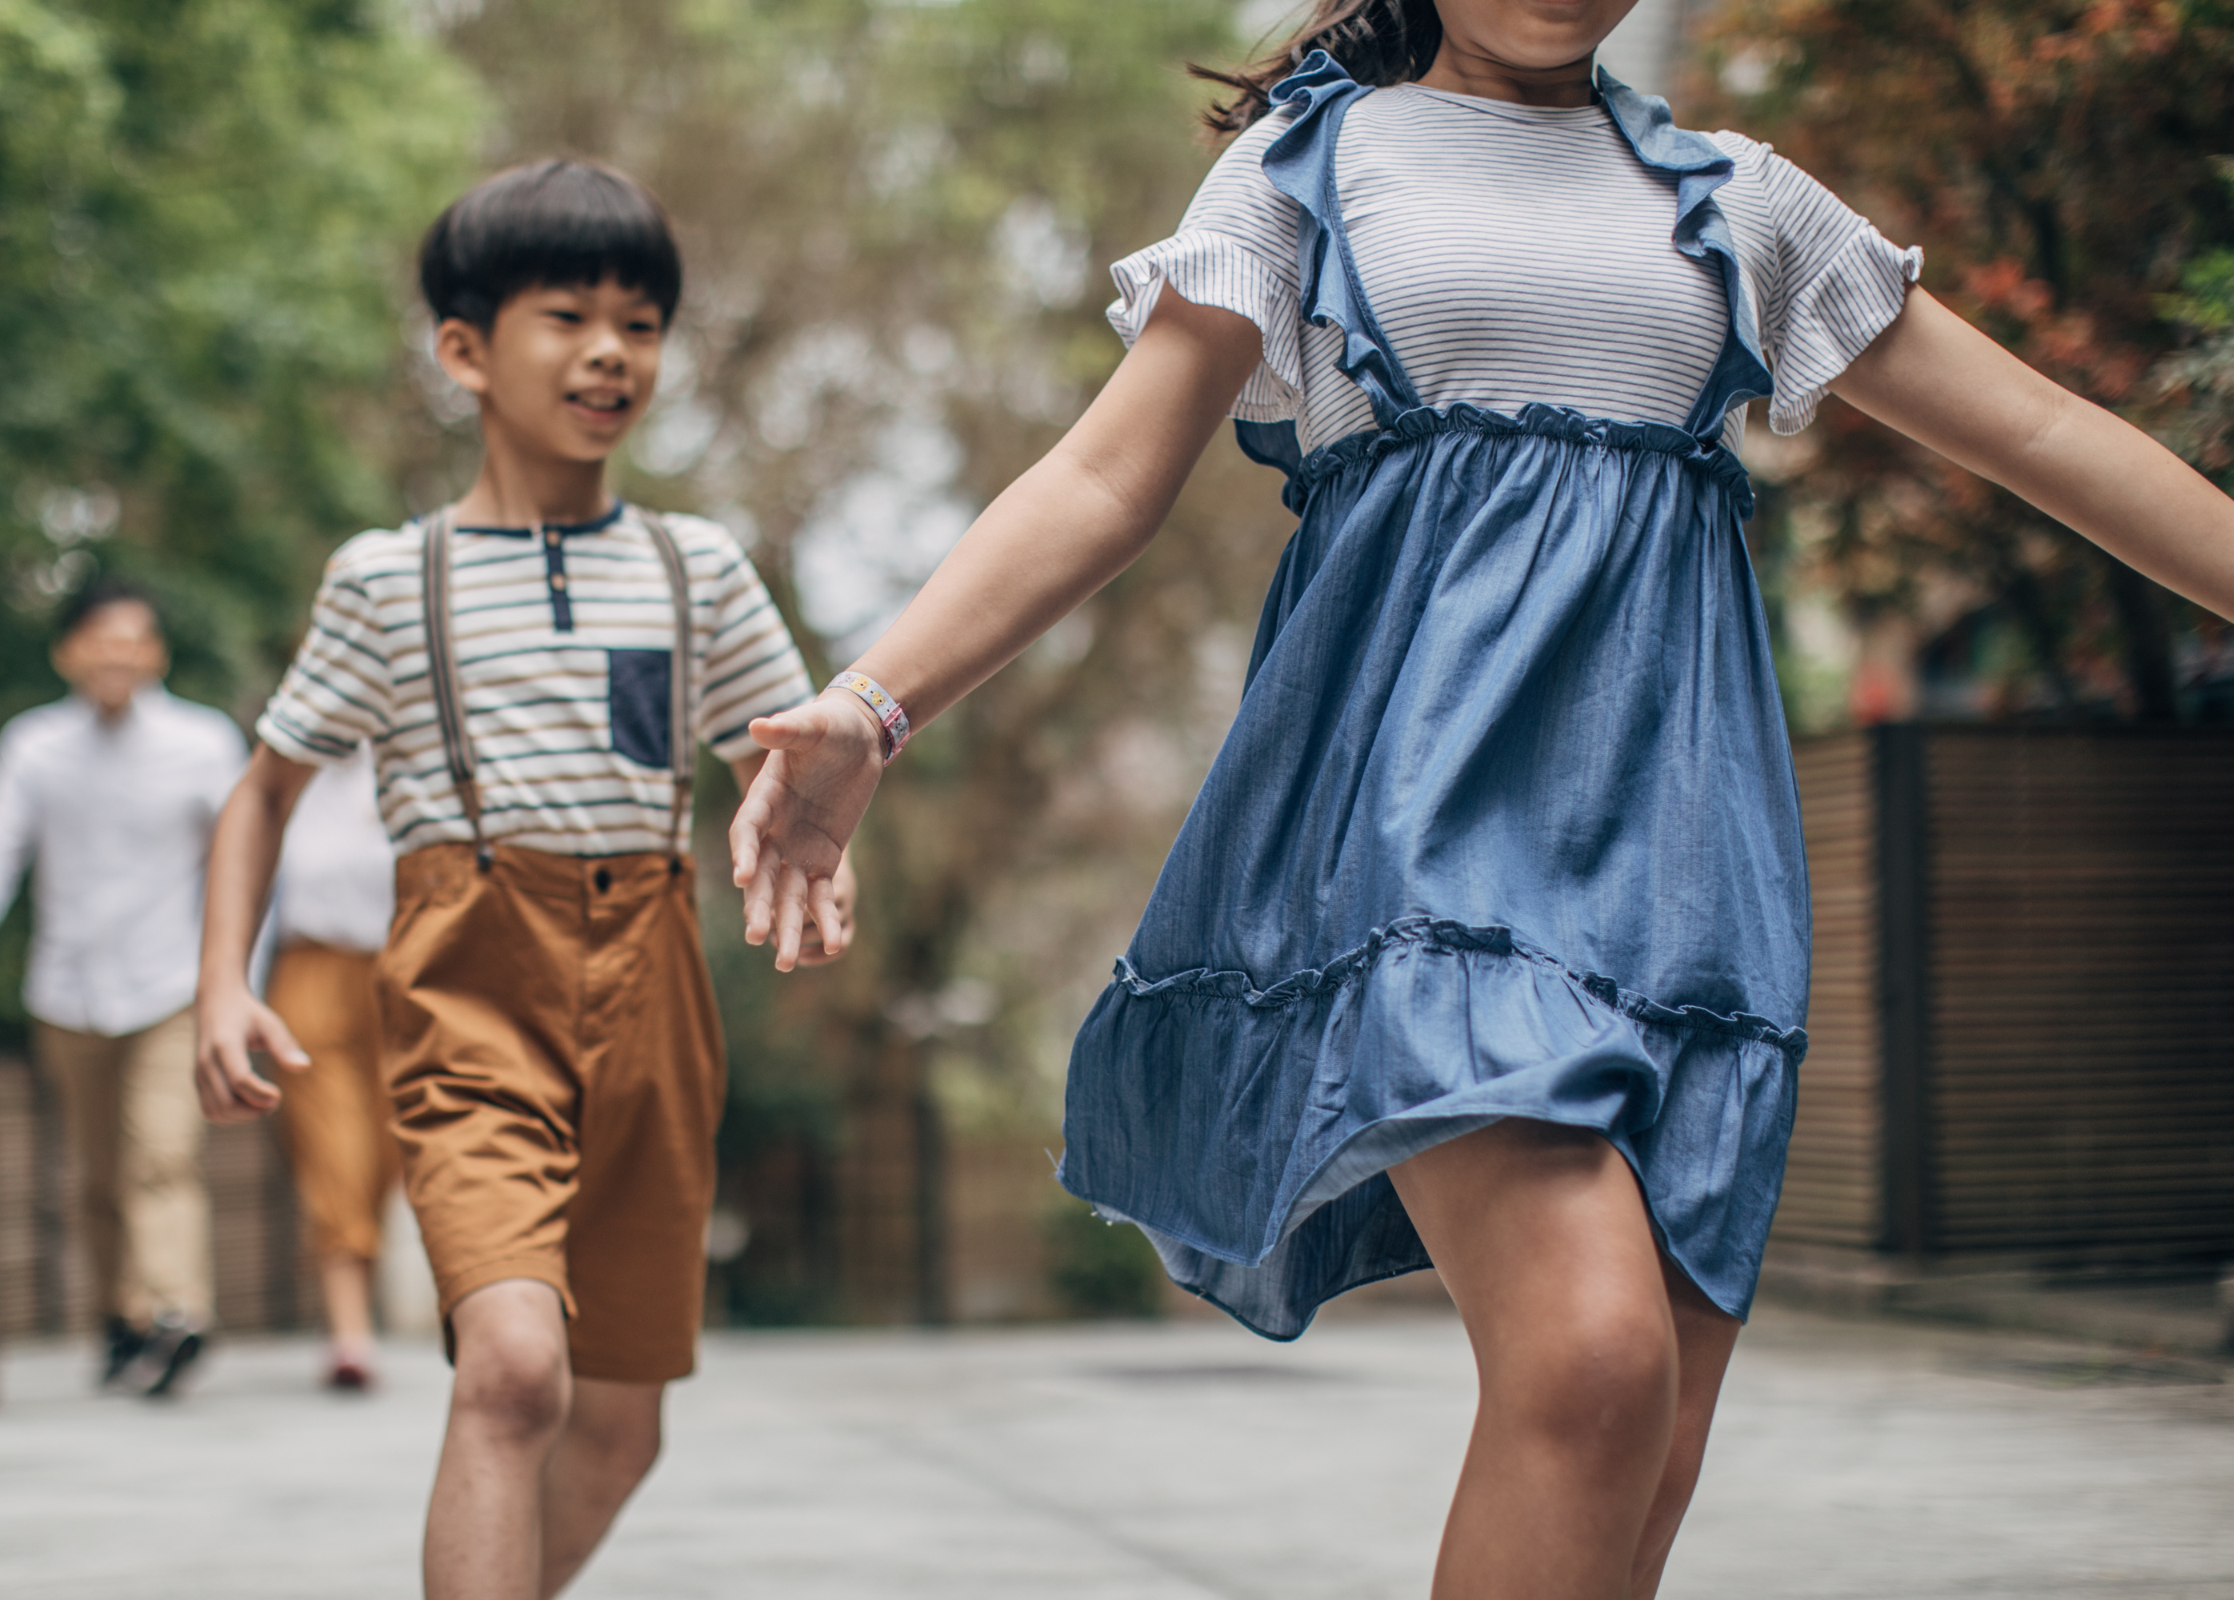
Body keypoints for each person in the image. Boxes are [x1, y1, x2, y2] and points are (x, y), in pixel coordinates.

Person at [726, 2, 2234, 1596]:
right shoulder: (1308, 172)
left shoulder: (1740, 200)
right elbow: (1106, 476)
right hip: (1420, 831)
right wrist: (874, 706)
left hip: (1687, 865)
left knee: (1644, 1436)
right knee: (1591, 1364)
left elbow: (2054, 433)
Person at [189, 160, 846, 1600]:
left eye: (643, 321)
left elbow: (786, 768)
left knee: (617, 1428)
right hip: (469, 983)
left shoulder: (698, 570)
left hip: (655, 991)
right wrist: (219, 987)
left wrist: (811, 832)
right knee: (512, 1370)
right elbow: (265, 793)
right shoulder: (387, 579)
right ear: (467, 351)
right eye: (568, 316)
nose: (612, 351)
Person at [0, 577, 244, 1398]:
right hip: (70, 988)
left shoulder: (204, 743)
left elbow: (245, 858)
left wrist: (245, 972)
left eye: (134, 638)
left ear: (158, 654)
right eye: (99, 638)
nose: (117, 654)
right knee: (98, 1174)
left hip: (172, 984)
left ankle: (177, 1311)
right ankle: (122, 1317)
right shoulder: (33, 746)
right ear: (67, 652)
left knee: (162, 1155)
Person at [260, 740, 402, 1392]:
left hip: (402, 974)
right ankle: (350, 1332)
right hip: (309, 970)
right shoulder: (280, 771)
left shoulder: (417, 755)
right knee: (333, 1149)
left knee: (386, 1147)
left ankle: (359, 1310)